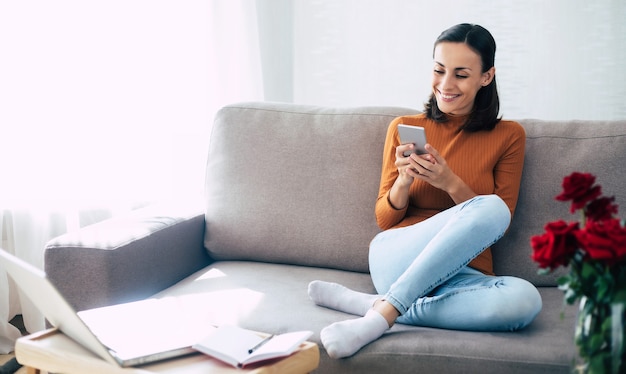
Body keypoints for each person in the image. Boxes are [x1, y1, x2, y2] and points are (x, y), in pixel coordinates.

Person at [308, 23, 542, 359]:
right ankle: (381, 319)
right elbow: (385, 220)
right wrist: (404, 180)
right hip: (398, 256)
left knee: (525, 300)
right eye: (438, 70)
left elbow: (499, 224)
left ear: (486, 77)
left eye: (461, 74)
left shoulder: (509, 136)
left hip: (465, 274)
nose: (445, 85)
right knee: (489, 207)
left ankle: (375, 305)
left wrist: (448, 181)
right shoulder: (405, 127)